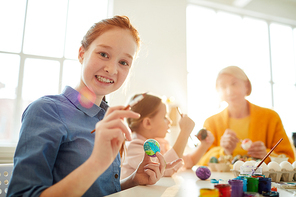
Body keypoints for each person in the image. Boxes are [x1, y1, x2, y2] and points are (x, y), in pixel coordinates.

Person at [7, 15, 182, 197]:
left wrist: (134, 180)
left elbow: (97, 191)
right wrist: (96, 163)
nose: (112, 69)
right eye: (103, 54)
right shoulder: (45, 110)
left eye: (123, 62)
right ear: (82, 53)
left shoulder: (109, 118)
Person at [198, 66, 295, 166]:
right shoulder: (211, 122)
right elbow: (201, 162)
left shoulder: (271, 118)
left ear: (247, 86)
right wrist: (224, 152)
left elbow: (290, 160)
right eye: (223, 86)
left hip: (261, 181)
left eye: (234, 84)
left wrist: (267, 156)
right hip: (223, 181)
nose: (229, 92)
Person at [121, 93, 214, 179]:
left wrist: (204, 146)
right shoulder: (132, 148)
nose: (170, 121)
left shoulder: (161, 144)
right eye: (165, 117)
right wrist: (184, 132)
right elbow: (163, 169)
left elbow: (188, 162)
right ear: (148, 123)